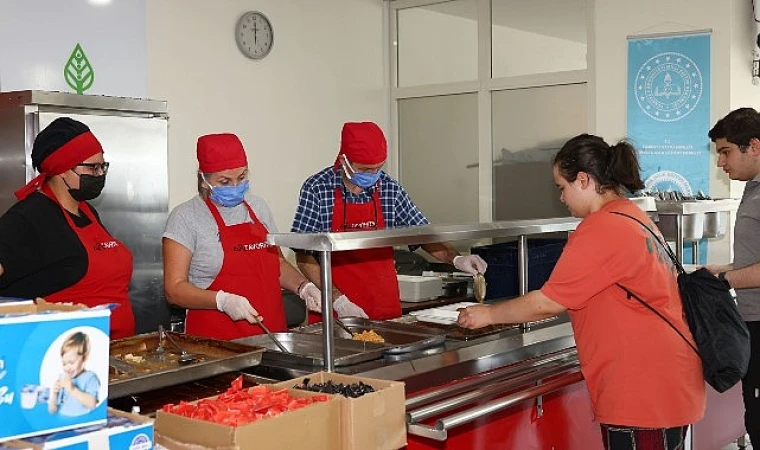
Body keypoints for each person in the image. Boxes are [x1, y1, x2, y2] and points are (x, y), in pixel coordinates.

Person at [457, 134, 705, 450]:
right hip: (663, 379)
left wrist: (487, 314)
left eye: (562, 187)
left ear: (584, 180)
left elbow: (547, 303)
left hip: (642, 389)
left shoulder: (602, 228)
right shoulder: (633, 216)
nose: (561, 198)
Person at [290, 121, 488, 321]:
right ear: (344, 160)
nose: (372, 175)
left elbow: (422, 234)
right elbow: (304, 256)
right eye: (365, 169)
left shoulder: (389, 189)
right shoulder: (317, 188)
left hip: (385, 307)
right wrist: (338, 300)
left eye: (377, 168)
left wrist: (455, 258)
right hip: (336, 311)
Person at [162, 133, 321, 340]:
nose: (235, 187)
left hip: (272, 338)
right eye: (225, 181)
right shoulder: (185, 217)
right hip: (216, 344)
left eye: (242, 178)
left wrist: (304, 287)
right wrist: (222, 301)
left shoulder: (258, 207)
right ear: (203, 178)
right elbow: (174, 290)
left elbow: (277, 264)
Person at [0, 117, 135, 339]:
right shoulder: (29, 217)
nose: (100, 175)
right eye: (92, 168)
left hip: (115, 352)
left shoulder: (87, 211)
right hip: (65, 358)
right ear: (62, 169)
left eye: (103, 167)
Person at [703, 107, 760, 445]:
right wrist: (719, 270)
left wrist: (723, 282)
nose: (721, 163)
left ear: (754, 145)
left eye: (726, 152)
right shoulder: (752, 190)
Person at [48, 332, 100, 416]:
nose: (67, 367)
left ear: (85, 358)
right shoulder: (63, 378)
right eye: (64, 364)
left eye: (71, 362)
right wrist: (54, 394)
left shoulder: (90, 377)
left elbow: (92, 404)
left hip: (81, 422)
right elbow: (52, 410)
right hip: (62, 422)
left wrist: (71, 389)